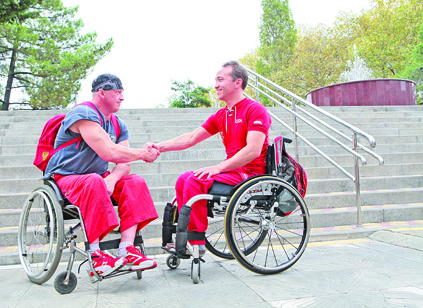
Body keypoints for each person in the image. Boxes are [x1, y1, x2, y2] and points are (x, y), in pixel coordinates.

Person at [44, 73, 160, 276]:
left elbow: (124, 163)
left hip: (98, 178)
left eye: (122, 93)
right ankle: (95, 255)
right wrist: (143, 154)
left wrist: (112, 179)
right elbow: (109, 152)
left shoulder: (117, 124)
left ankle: (127, 250)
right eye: (117, 92)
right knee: (94, 181)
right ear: (102, 92)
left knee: (134, 182)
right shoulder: (83, 113)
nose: (122, 97)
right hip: (67, 177)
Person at [155, 61, 272, 254]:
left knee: (195, 180)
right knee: (183, 179)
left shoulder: (255, 110)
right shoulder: (221, 115)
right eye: (215, 80)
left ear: (237, 82)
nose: (215, 85)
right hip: (233, 171)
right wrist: (159, 147)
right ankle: (183, 237)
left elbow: (253, 150)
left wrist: (218, 168)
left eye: (220, 79)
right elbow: (191, 138)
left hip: (251, 174)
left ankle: (196, 243)